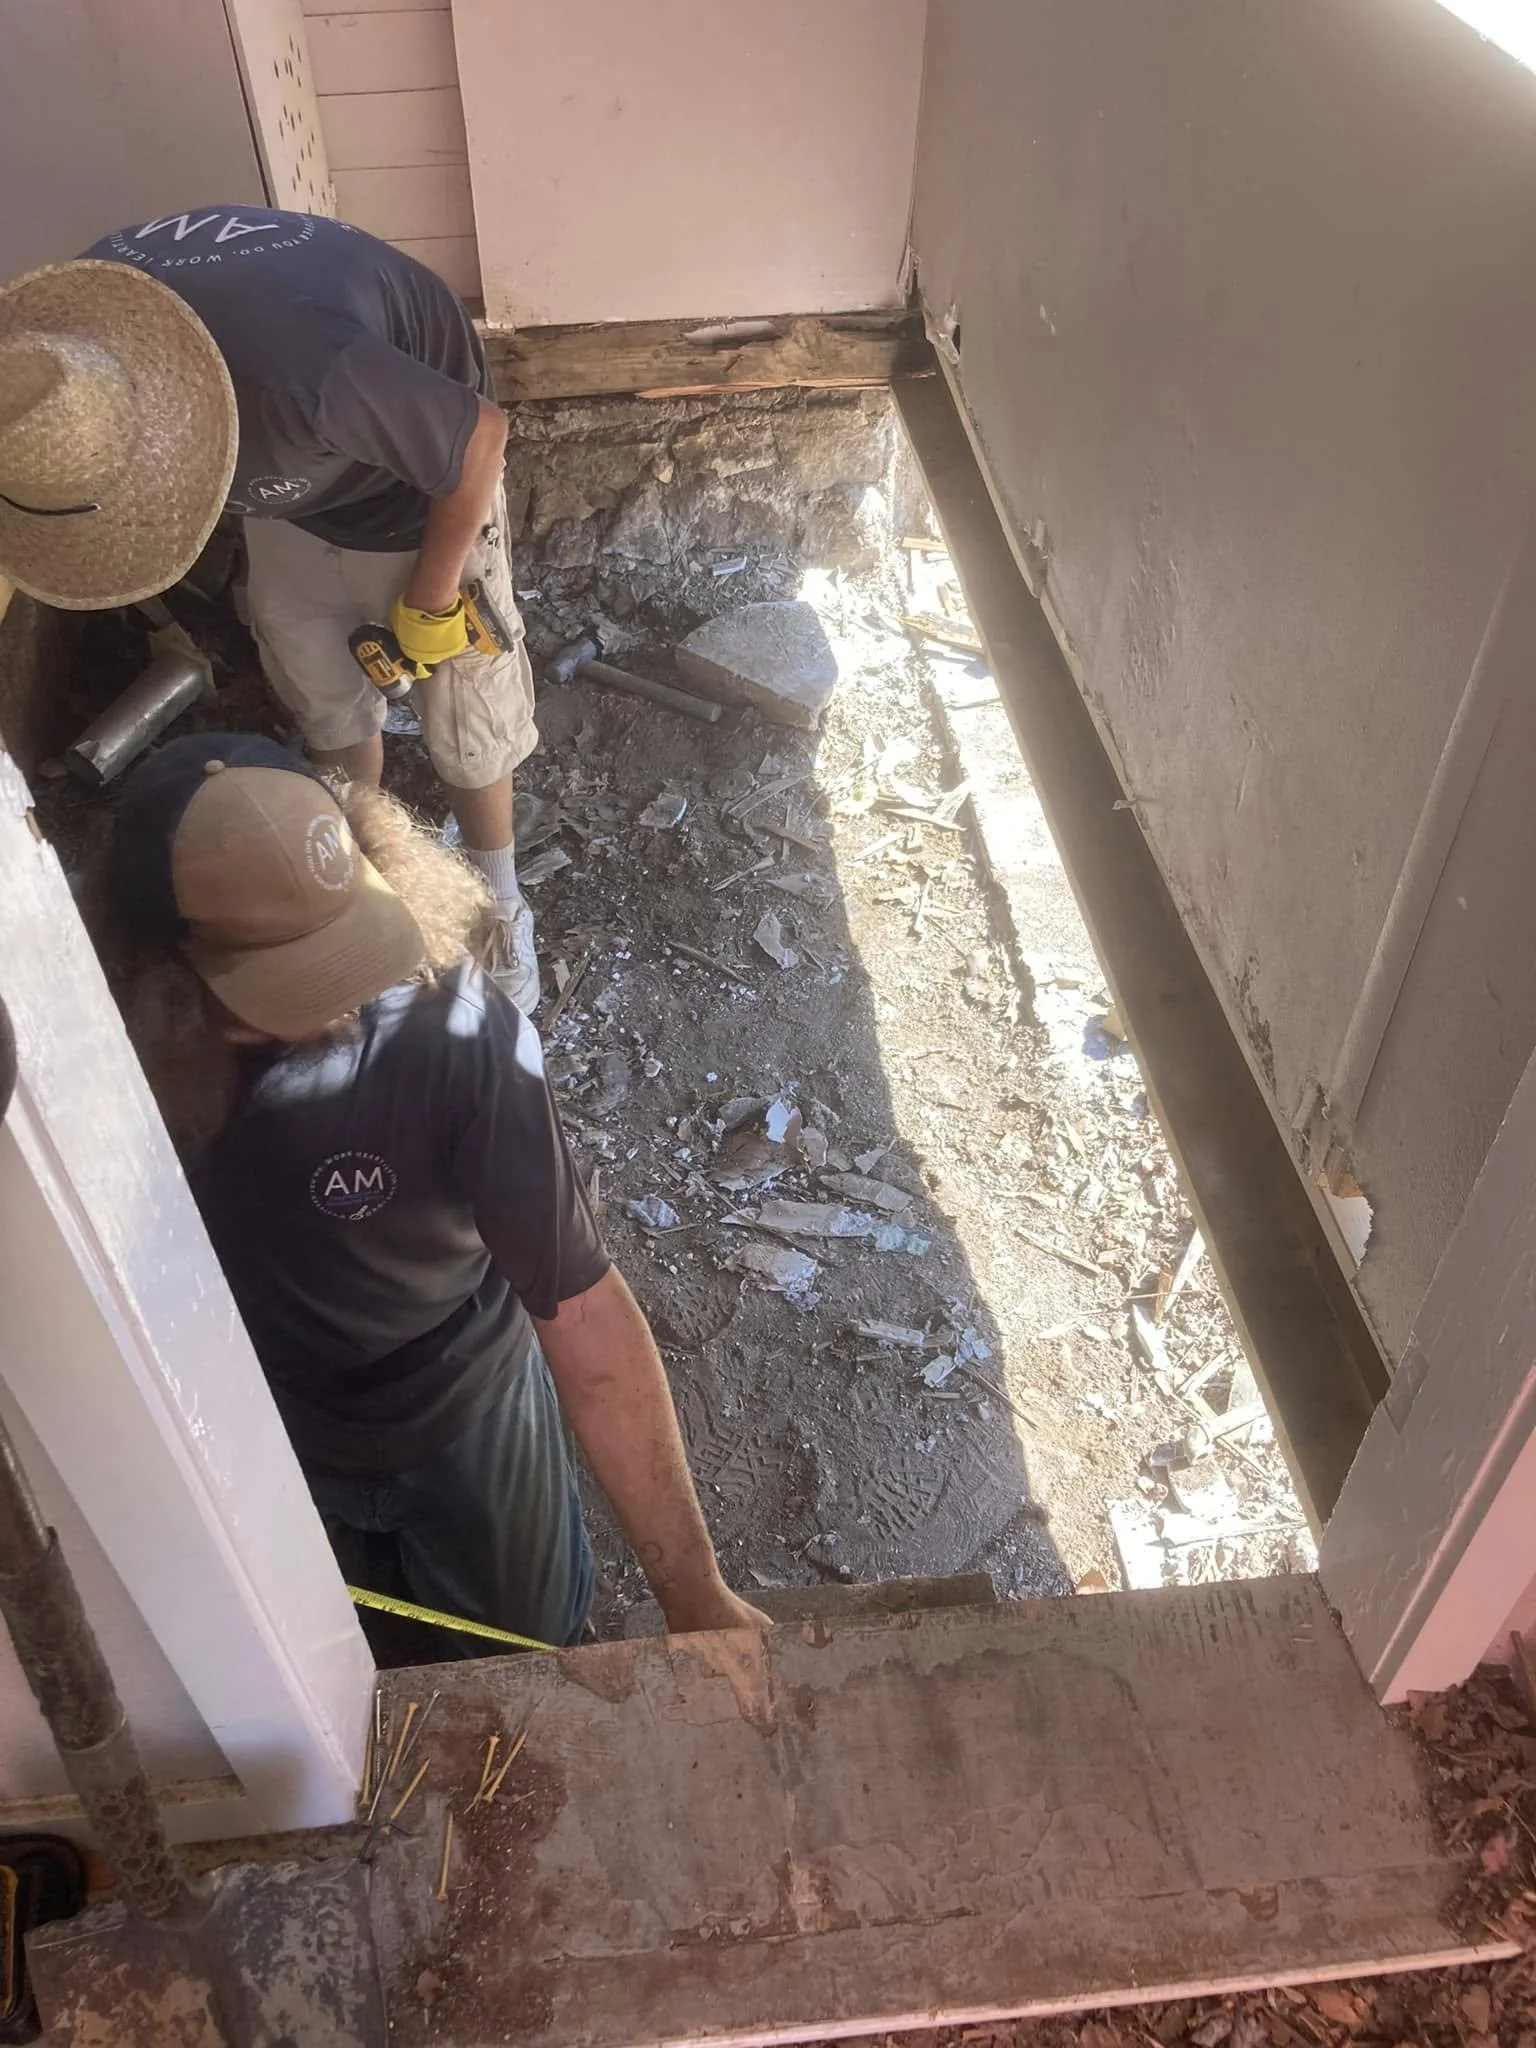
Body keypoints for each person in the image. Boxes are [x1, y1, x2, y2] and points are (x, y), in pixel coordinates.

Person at [108, 730, 769, 1649]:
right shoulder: (110, 1076)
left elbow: (581, 1311)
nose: (333, 1006)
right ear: (160, 977)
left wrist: (693, 1591)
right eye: (279, 985)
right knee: (328, 1648)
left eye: (342, 953)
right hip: (265, 1408)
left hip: (462, 1391)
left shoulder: (453, 1034)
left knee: (530, 1640)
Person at [0, 206, 540, 1010]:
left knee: (466, 712)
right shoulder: (62, 356)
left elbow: (478, 442)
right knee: (320, 687)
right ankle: (353, 887)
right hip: (290, 492)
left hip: (418, 492)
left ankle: (501, 905)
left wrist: (430, 597)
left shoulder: (306, 377)